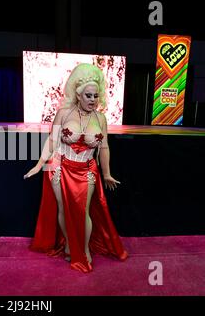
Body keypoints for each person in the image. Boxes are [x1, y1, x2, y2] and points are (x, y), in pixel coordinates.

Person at [24, 63, 128, 273]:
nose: (92, 100)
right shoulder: (63, 113)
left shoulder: (101, 118)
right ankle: (71, 245)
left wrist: (106, 173)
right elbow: (52, 141)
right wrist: (39, 164)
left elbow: (104, 147)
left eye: (95, 96)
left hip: (87, 170)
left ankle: (84, 250)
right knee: (63, 209)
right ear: (78, 95)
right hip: (59, 166)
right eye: (88, 96)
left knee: (84, 211)